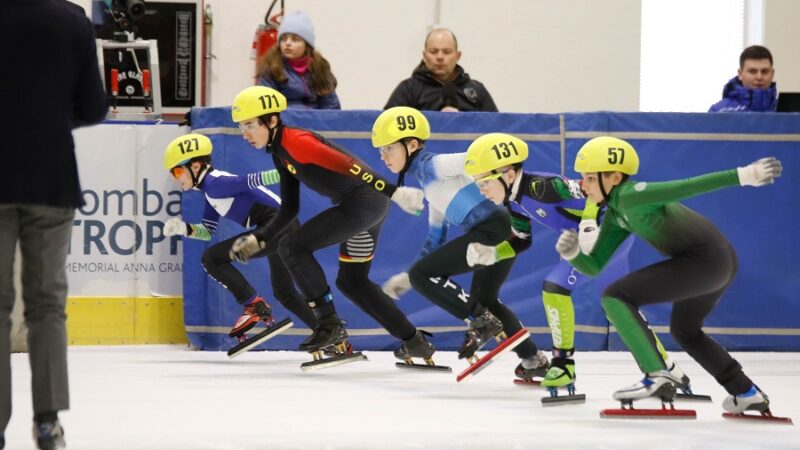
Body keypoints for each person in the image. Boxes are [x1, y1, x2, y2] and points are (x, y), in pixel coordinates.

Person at [555, 136, 782, 413]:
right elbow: (594, 266)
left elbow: (687, 186)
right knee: (685, 331)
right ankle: (746, 391)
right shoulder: (616, 212)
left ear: (614, 177)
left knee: (615, 296)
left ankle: (656, 374)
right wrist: (573, 254)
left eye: (590, 178)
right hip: (718, 262)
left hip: (705, 262)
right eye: (582, 178)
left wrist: (744, 175)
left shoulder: (631, 194)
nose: (583, 185)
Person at [462, 133, 694, 396]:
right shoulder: (514, 204)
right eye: (476, 183)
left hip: (605, 236)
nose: (481, 189)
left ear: (509, 175)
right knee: (617, 307)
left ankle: (563, 365)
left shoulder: (543, 187)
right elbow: (521, 240)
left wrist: (587, 225)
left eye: (484, 181)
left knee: (555, 287)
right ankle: (668, 368)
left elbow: (591, 190)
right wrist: (491, 254)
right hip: (599, 239)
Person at [228, 86, 434, 363]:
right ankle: (414, 341)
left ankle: (329, 325)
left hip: (364, 202)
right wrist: (261, 238)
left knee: (293, 246)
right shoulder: (280, 153)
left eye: (251, 125)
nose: (246, 133)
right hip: (368, 205)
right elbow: (290, 209)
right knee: (352, 281)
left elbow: (352, 166)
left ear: (272, 120)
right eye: (242, 127)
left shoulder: (296, 141)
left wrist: (393, 192)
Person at [0, 1, 108, 448]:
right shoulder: (71, 21)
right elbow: (94, 106)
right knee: (47, 306)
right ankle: (47, 421)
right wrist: (49, 119)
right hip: (51, 175)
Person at [374, 110, 548, 376]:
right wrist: (408, 278)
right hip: (501, 230)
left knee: (429, 277)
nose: (383, 157)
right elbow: (434, 241)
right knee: (487, 300)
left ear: (411, 145)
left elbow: (477, 158)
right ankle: (534, 361)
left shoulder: (435, 165)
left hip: (493, 229)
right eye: (380, 151)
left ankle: (480, 322)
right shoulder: (429, 186)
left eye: (388, 149)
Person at [161, 133, 317, 341]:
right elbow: (207, 231)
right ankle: (328, 333)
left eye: (178, 170)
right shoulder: (210, 191)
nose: (176, 178)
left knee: (211, 258)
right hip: (280, 227)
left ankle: (253, 304)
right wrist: (183, 229)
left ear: (196, 166)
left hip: (277, 226)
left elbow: (252, 180)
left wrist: (291, 170)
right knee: (285, 293)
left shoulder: (216, 183)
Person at [384, 28, 498, 112]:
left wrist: (463, 120)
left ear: (458, 56)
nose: (439, 57)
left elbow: (496, 130)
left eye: (447, 52)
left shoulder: (477, 90)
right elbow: (387, 128)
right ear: (424, 55)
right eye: (433, 51)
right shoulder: (408, 89)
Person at [256, 11, 340, 110]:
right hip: (285, 122)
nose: (287, 43)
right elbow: (267, 108)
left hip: (314, 123)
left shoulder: (320, 67)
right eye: (283, 38)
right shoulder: (270, 68)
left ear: (307, 45)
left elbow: (331, 106)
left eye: (295, 39)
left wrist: (321, 123)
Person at [709, 45, 777, 112]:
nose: (759, 77)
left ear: (772, 74)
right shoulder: (719, 111)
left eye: (764, 71)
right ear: (740, 74)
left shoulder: (784, 112)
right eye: (752, 71)